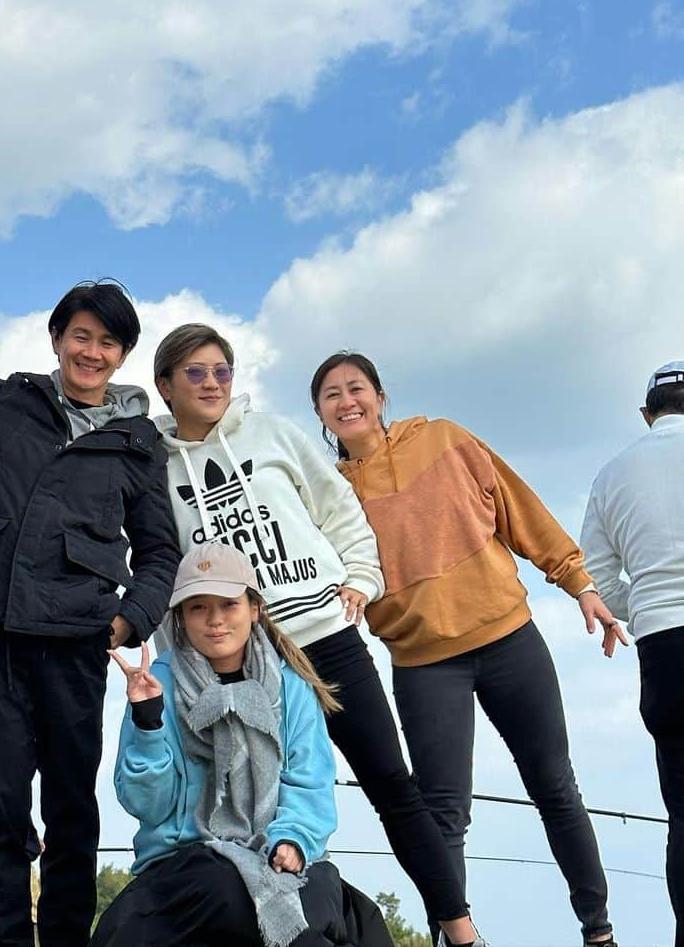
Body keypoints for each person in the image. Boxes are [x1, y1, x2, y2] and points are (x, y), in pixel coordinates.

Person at [0, 168, 181, 947]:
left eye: (107, 340)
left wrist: (128, 620)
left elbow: (160, 552)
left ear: (121, 355)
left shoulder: (138, 445)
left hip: (77, 641)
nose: (91, 349)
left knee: (73, 814)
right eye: (79, 335)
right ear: (57, 340)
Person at [152, 324, 485, 947]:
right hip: (237, 659)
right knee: (238, 808)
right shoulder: (155, 466)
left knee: (392, 784)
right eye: (194, 373)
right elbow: (159, 562)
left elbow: (338, 510)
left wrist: (361, 576)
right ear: (165, 384)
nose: (212, 383)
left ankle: (461, 932)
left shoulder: (274, 433)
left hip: (323, 636)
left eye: (222, 370)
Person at [312, 351, 624, 947]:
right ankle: (454, 939)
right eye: (331, 395)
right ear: (322, 414)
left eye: (357, 388)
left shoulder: (447, 440)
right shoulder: (329, 492)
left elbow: (518, 508)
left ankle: (599, 931)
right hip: (423, 662)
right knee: (443, 814)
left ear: (380, 397)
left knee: (555, 786)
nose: (346, 400)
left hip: (509, 638)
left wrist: (579, 583)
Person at [94, 540, 389, 947]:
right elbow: (148, 806)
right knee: (231, 892)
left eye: (228, 604)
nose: (215, 620)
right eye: (199, 607)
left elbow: (311, 781)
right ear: (180, 617)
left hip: (278, 854)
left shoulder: (292, 687)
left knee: (332, 901)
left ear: (254, 609)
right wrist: (148, 721)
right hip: (187, 861)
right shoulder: (155, 685)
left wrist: (292, 840)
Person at [580, 360, 684, 945]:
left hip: (665, 647)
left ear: (648, 415)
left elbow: (595, 575)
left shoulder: (612, 474)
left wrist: (640, 603)